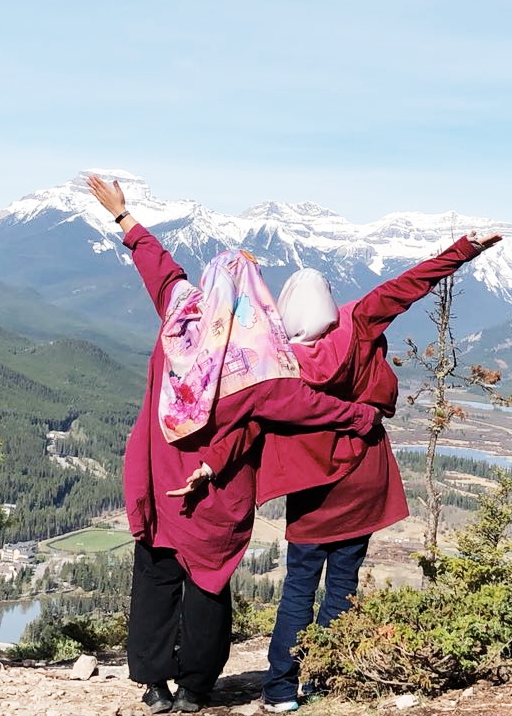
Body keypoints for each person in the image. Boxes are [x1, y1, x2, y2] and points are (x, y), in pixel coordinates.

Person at [86, 174, 382, 715]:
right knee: (207, 583)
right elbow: (310, 407)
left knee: (155, 576)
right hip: (216, 492)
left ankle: (153, 685)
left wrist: (123, 216)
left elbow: (161, 268)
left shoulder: (179, 317)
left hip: (156, 476)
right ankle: (197, 689)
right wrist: (360, 416)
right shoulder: (261, 368)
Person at [182, 232, 502, 712]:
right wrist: (466, 248)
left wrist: (213, 461)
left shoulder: (274, 360)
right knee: (343, 583)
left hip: (312, 490)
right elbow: (409, 286)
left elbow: (246, 419)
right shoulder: (358, 323)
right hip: (364, 478)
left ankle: (281, 690)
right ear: (330, 303)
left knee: (299, 587)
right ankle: (328, 678)